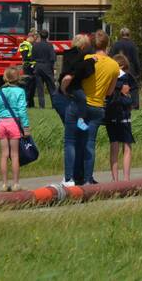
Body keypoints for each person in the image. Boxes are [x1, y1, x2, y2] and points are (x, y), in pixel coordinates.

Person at [79, 30, 120, 185]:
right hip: (97, 107)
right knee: (90, 142)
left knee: (77, 140)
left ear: (92, 44)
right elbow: (110, 92)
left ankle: (76, 175)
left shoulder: (86, 59)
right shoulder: (114, 65)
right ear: (107, 44)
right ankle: (88, 178)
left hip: (82, 106)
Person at [56, 33, 92, 186]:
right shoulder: (86, 58)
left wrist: (63, 90)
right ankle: (82, 176)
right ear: (84, 46)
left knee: (70, 140)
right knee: (82, 140)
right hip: (84, 100)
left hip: (72, 99)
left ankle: (69, 177)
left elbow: (66, 78)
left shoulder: (70, 56)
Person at [0, 66, 30, 191]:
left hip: (2, 124)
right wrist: (25, 126)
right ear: (18, 78)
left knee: (4, 155)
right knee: (14, 155)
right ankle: (16, 183)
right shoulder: (20, 91)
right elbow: (22, 111)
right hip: (14, 123)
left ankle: (4, 184)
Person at [106, 53, 136, 181]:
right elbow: (133, 95)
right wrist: (131, 102)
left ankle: (115, 180)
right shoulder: (127, 78)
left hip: (110, 114)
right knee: (127, 146)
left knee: (114, 146)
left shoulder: (108, 77)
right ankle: (126, 179)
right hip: (123, 115)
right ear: (124, 66)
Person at [110, 28, 142, 109]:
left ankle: (117, 102)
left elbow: (111, 57)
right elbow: (136, 59)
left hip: (118, 67)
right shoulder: (132, 45)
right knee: (133, 87)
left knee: (118, 85)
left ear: (121, 34)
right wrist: (138, 71)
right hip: (130, 68)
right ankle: (135, 104)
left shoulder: (116, 44)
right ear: (129, 34)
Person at [30, 29, 56, 109]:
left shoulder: (35, 45)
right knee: (51, 87)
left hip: (38, 66)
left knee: (40, 88)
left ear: (40, 36)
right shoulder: (49, 45)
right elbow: (53, 58)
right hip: (47, 66)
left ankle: (41, 106)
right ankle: (54, 105)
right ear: (47, 36)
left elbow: (32, 57)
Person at [19, 31, 36, 106]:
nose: (35, 40)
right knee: (28, 85)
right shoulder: (24, 44)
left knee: (32, 86)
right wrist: (35, 57)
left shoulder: (31, 44)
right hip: (28, 67)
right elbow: (25, 56)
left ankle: (31, 103)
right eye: (34, 38)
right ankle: (26, 102)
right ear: (30, 37)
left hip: (33, 67)